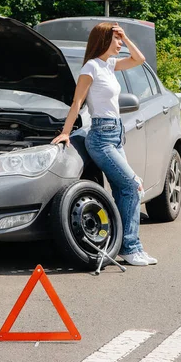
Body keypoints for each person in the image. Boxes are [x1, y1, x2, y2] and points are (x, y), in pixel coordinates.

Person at [51, 22, 157, 266]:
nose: (119, 43)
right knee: (132, 185)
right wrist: (66, 132)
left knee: (123, 189)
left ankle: (127, 246)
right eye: (115, 39)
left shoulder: (109, 65)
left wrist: (126, 36)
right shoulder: (91, 67)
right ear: (103, 40)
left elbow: (139, 59)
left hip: (117, 134)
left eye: (120, 39)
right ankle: (130, 248)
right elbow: (77, 103)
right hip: (101, 137)